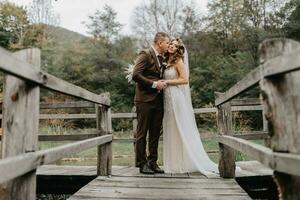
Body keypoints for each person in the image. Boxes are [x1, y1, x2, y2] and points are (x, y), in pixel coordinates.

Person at [162, 38, 219, 176]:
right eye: (170, 44)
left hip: (176, 98)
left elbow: (185, 79)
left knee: (180, 128)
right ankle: (173, 164)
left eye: (175, 46)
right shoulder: (166, 61)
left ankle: (184, 162)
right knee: (171, 128)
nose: (171, 46)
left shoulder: (178, 61)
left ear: (177, 49)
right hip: (167, 99)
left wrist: (167, 81)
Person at [132, 32, 170, 174]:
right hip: (144, 100)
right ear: (160, 43)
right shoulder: (145, 54)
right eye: (167, 42)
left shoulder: (163, 58)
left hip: (158, 101)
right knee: (142, 133)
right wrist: (154, 85)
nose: (168, 45)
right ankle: (142, 164)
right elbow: (136, 75)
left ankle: (152, 162)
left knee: (155, 133)